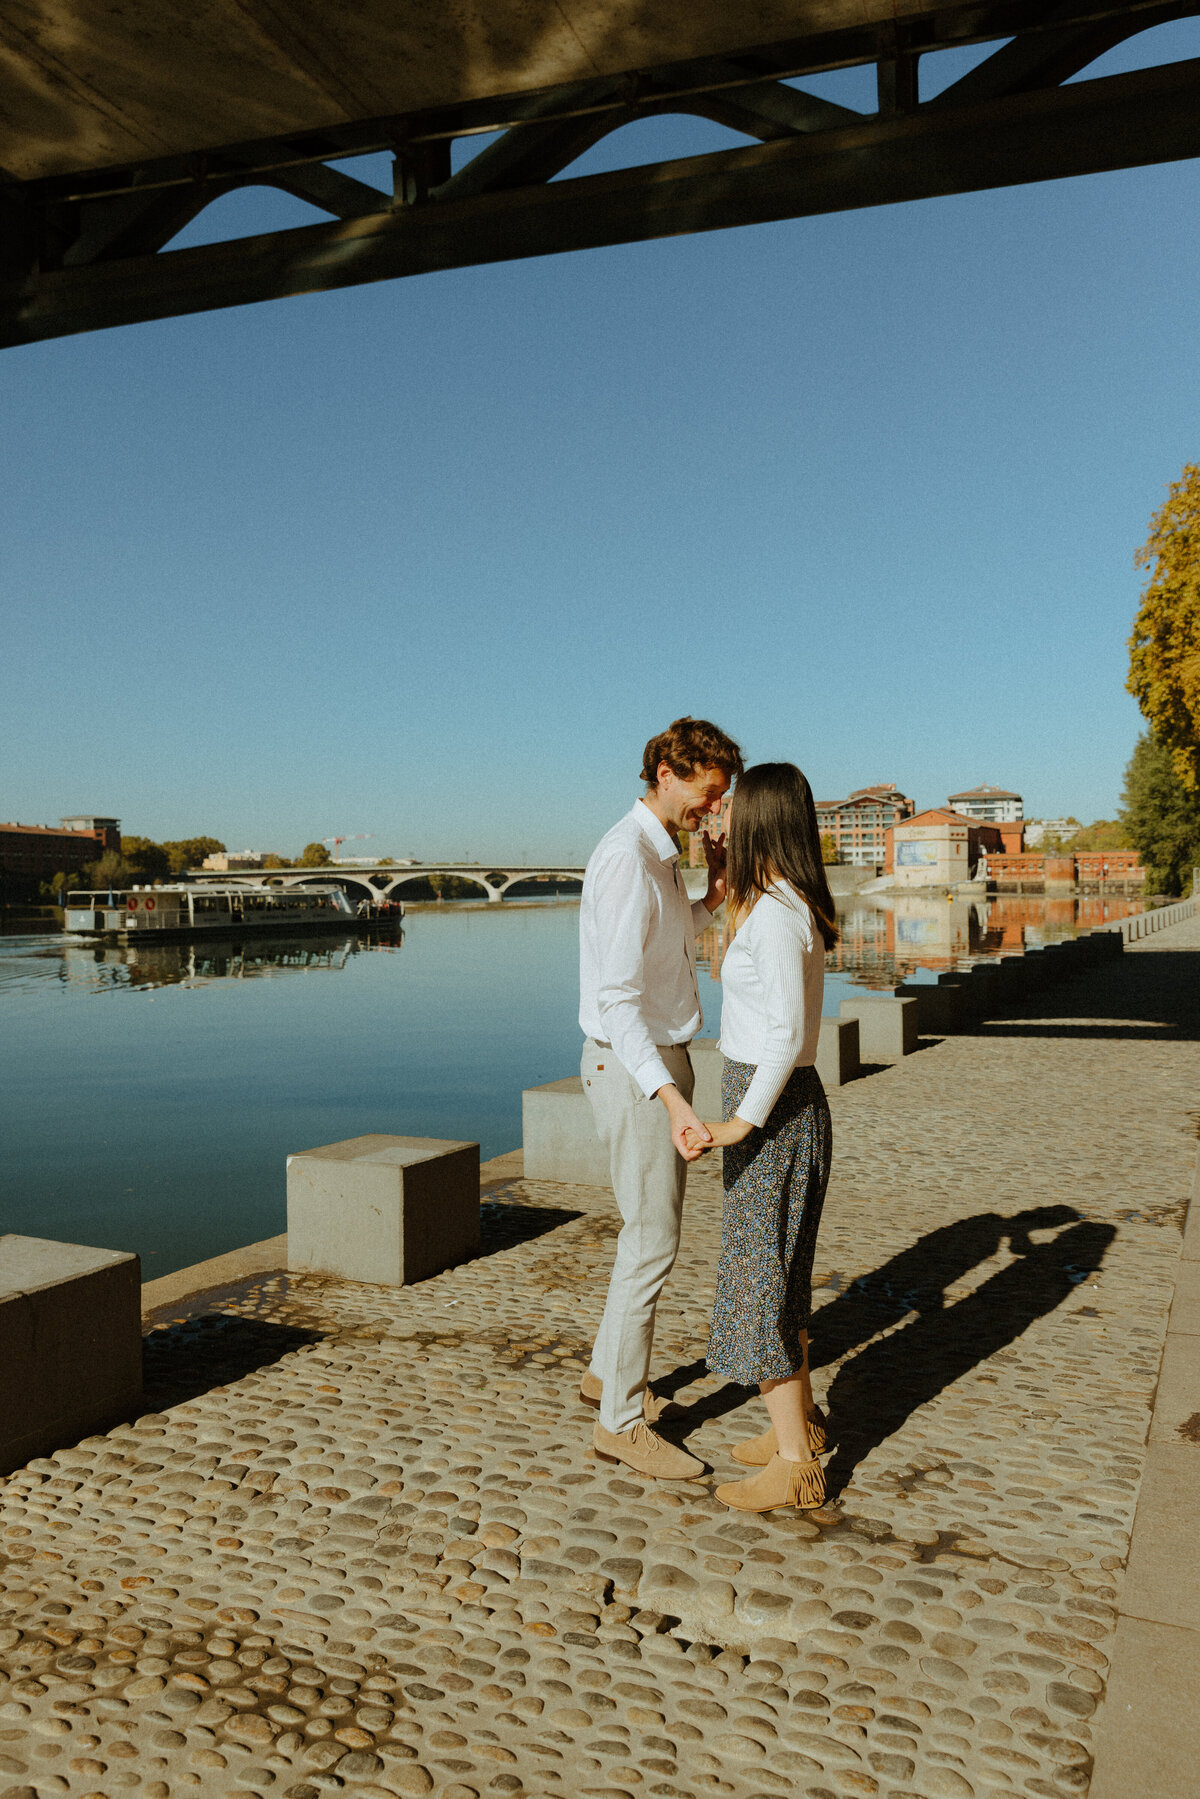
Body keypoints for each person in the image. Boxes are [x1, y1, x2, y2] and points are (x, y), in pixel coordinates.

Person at [579, 716, 744, 1480]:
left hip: (653, 1061)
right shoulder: (625, 858)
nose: (712, 809)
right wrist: (673, 1101)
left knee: (645, 1234)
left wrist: (713, 891)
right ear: (667, 771)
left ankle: (604, 1376)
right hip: (635, 1064)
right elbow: (617, 1001)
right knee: (652, 1241)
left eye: (720, 798)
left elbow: (675, 939)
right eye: (708, 794)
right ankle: (620, 1420)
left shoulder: (659, 855)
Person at [686, 761, 838, 1512]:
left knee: (761, 1282)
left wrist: (739, 1121)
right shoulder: (775, 900)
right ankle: (800, 1424)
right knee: (780, 1276)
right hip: (777, 1100)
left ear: (763, 818)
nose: (719, 816)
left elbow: (780, 1036)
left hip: (770, 1106)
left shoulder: (778, 916)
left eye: (731, 809)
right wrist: (716, 871)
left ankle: (794, 1466)